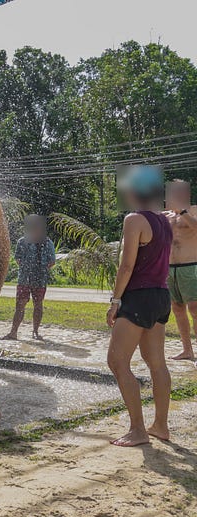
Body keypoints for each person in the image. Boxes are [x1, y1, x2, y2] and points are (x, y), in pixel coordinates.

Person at [106, 165, 172, 447]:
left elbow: (127, 265)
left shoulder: (134, 220)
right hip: (160, 297)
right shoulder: (164, 221)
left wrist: (115, 300)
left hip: (138, 297)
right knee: (157, 363)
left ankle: (138, 429)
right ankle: (161, 426)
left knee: (117, 361)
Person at [2, 215, 56, 340]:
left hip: (40, 279)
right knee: (20, 305)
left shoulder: (47, 242)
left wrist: (39, 270)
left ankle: (35, 332)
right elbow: (17, 258)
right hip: (24, 279)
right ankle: (13, 332)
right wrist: (28, 269)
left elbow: (52, 261)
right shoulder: (22, 241)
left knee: (38, 305)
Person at [164, 180, 197, 361]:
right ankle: (187, 350)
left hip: (191, 266)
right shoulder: (165, 215)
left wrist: (182, 211)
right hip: (170, 268)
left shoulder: (194, 210)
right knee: (177, 309)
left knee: (195, 308)